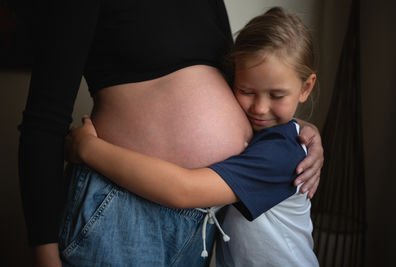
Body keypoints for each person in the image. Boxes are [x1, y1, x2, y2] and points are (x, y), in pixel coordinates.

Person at [18, 0, 323, 266]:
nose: (262, 104)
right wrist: (44, 253)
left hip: (201, 224)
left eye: (278, 97)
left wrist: (296, 132)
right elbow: (43, 120)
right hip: (121, 212)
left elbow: (240, 79)